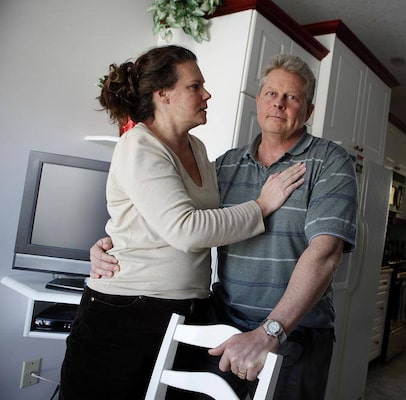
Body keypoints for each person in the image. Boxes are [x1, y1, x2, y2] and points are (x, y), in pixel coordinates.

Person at [90, 53, 358, 400]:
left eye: (292, 97)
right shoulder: (225, 165)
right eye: (271, 93)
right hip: (220, 329)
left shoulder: (331, 161)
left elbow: (325, 254)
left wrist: (271, 332)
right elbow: (180, 221)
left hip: (295, 335)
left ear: (308, 111)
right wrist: (111, 243)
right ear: (258, 101)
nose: (278, 103)